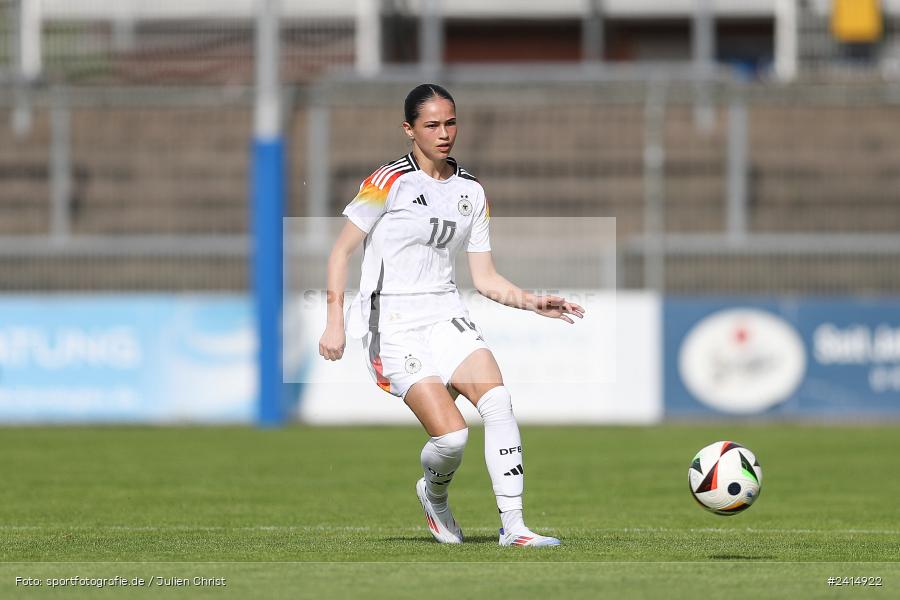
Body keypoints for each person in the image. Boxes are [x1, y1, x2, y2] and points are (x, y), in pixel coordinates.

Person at [318, 83, 584, 547]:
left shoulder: (471, 191)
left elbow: (485, 278)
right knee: (453, 439)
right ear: (409, 129)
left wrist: (532, 301)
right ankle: (433, 495)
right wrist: (335, 320)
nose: (444, 134)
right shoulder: (387, 182)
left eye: (451, 123)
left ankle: (514, 528)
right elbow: (341, 252)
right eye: (432, 125)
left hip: (446, 316)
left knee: (497, 401)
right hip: (394, 327)